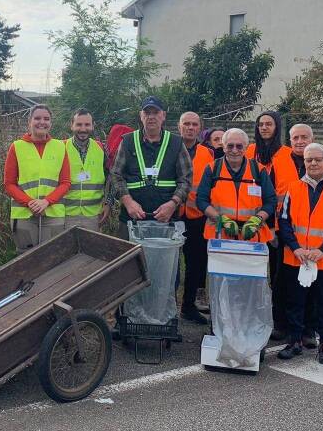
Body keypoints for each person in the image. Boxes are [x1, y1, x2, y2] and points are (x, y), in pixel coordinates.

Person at [276, 143, 323, 366]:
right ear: (304, 162)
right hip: (296, 257)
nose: (313, 163)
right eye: (309, 160)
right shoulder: (292, 188)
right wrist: (295, 247)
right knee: (295, 301)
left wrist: (322, 250)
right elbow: (284, 221)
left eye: (318, 159)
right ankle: (295, 341)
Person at [109, 96, 191, 239]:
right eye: (147, 113)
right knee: (129, 260)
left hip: (166, 219)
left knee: (163, 260)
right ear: (141, 116)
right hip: (131, 219)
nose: (151, 117)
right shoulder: (127, 141)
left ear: (163, 115)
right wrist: (128, 202)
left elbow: (186, 178)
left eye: (156, 112)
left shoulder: (176, 143)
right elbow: (116, 174)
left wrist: (173, 204)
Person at [245, 111, 292, 340]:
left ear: (277, 127)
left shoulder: (286, 155)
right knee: (252, 275)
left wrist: (275, 225)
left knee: (277, 276)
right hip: (250, 223)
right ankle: (251, 317)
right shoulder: (249, 151)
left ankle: (279, 321)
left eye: (269, 124)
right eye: (261, 124)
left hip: (276, 225)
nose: (264, 127)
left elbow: (285, 193)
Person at [5, 104, 71, 251]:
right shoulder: (16, 147)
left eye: (46, 118)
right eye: (37, 118)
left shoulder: (60, 147)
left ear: (51, 122)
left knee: (52, 258)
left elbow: (65, 183)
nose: (42, 122)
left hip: (53, 215)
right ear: (30, 121)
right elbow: (9, 184)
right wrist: (30, 203)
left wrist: (46, 202)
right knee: (25, 260)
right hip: (24, 215)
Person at [196, 128, 275, 244]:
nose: (234, 150)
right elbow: (201, 200)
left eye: (239, 146)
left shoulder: (258, 170)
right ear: (223, 147)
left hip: (252, 235)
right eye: (230, 146)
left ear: (246, 148)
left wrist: (257, 220)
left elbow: (271, 201)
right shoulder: (212, 169)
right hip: (219, 235)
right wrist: (220, 219)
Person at [177, 111, 215, 324]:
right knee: (171, 265)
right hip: (172, 215)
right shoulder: (170, 148)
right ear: (179, 126)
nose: (190, 128)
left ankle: (188, 306)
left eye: (194, 124)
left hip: (197, 216)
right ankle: (165, 307)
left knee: (195, 264)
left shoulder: (207, 153)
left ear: (200, 128)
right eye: (186, 124)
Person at [63, 109, 109, 232]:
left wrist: (107, 203)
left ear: (93, 126)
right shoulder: (61, 148)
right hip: (66, 214)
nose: (83, 129)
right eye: (79, 124)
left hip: (93, 216)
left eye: (87, 124)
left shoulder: (101, 148)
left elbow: (110, 178)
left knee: (91, 249)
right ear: (71, 125)